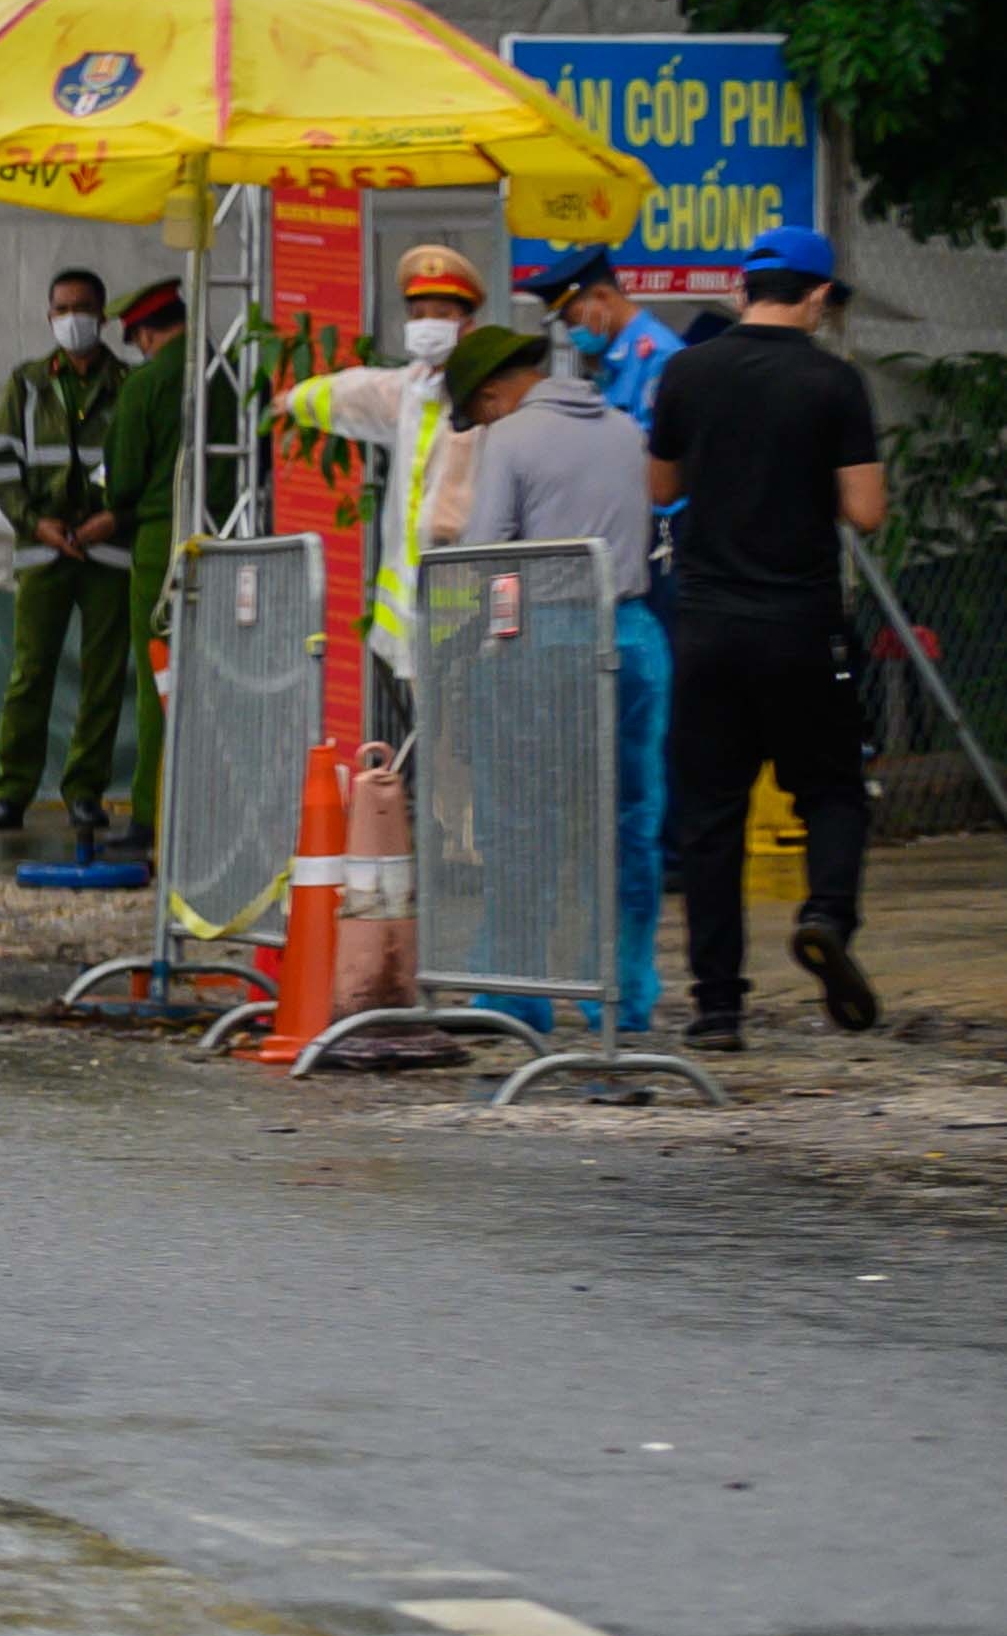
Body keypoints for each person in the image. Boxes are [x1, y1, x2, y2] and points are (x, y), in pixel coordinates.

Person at [650, 223, 887, 1048]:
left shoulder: (684, 371)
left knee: (710, 818)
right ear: (816, 294)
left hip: (707, 627)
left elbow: (660, 484)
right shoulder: (833, 383)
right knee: (828, 790)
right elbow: (865, 510)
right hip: (800, 626)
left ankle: (717, 1009)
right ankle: (824, 913)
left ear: (747, 288)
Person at [437, 321, 670, 1037]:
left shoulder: (508, 438)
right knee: (627, 823)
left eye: (473, 416)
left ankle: (515, 993)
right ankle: (622, 997)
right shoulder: (625, 428)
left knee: (522, 822)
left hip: (540, 640)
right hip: (631, 637)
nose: (477, 429)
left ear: (490, 396)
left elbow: (482, 550)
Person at [279, 237, 489, 749]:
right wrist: (293, 400)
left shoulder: (486, 390)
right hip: (415, 609)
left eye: (441, 312)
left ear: (468, 326)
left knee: (468, 741)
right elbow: (355, 390)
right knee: (440, 740)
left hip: (471, 606)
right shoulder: (411, 389)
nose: (426, 323)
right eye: (418, 312)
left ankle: (458, 830)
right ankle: (445, 827)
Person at [0, 263, 133, 835]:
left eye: (83, 309)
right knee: (30, 673)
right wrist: (32, 522)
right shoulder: (27, 383)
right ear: (49, 316)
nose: (73, 320)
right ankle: (11, 791)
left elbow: (145, 467)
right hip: (42, 549)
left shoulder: (129, 385)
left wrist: (108, 521)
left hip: (107, 550)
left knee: (102, 677)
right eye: (62, 310)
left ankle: (85, 791)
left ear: (104, 316)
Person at [94, 276, 200, 853]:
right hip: (230, 535)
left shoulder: (147, 384)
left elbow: (123, 482)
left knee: (161, 678)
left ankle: (151, 816)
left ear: (146, 333)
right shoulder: (225, 371)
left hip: (163, 541)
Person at [522, 242, 680, 431]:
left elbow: (660, 444)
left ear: (602, 297)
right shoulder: (612, 361)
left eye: (574, 320)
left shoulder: (659, 356)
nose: (573, 332)